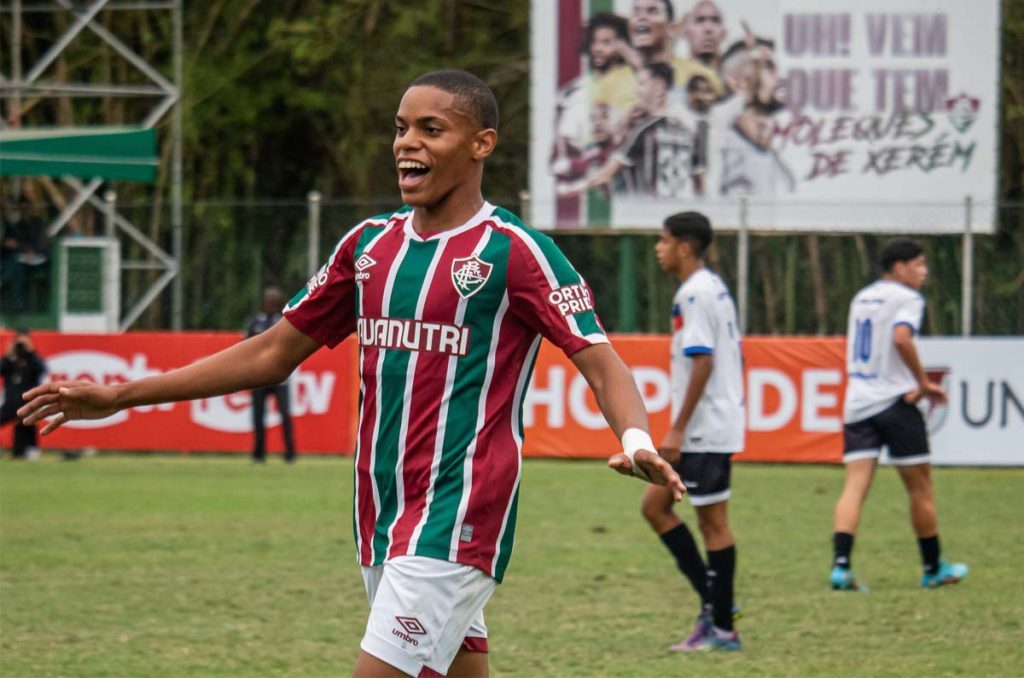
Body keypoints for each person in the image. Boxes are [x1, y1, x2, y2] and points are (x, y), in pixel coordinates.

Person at [19, 69, 684, 678]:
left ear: (481, 144)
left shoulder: (515, 254)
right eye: (400, 128)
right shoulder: (368, 247)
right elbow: (269, 354)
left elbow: (601, 361)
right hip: (381, 513)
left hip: (456, 514)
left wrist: (635, 441)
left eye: (431, 129)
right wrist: (121, 395)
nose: (406, 144)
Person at [831, 238, 968, 592]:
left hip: (858, 402)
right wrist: (923, 383)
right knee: (920, 487)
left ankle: (841, 568)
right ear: (900, 267)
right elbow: (902, 339)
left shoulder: (861, 297)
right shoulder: (907, 298)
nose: (924, 272)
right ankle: (933, 567)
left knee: (855, 486)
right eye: (919, 264)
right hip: (895, 401)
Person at [643, 211, 744, 652]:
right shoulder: (709, 287)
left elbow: (703, 360)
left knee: (712, 523)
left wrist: (679, 428)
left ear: (684, 246)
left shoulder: (696, 294)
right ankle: (716, 603)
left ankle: (722, 629)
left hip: (705, 429)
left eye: (663, 241)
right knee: (655, 507)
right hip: (707, 425)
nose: (658, 248)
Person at [578, 62, 698, 198]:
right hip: (682, 210)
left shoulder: (645, 130)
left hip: (649, 211)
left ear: (659, 87)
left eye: (641, 83)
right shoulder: (687, 131)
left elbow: (606, 175)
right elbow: (700, 180)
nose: (636, 90)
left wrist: (579, 191)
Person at [711, 36, 796, 196]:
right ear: (737, 83)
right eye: (768, 67)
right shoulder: (722, 150)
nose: (779, 77)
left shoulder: (779, 164)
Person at [246, 286, 297, 464]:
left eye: (275, 301)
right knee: (258, 416)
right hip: (259, 376)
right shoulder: (255, 321)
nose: (271, 304)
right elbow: (246, 345)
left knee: (285, 414)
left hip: (280, 377)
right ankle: (258, 454)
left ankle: (290, 454)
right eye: (269, 301)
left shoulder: (284, 320)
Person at [1, 330, 47, 460]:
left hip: (28, 402)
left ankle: (27, 451)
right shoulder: (10, 361)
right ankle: (19, 452)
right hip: (10, 402)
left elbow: (42, 369)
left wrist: (31, 351)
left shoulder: (33, 360)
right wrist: (8, 354)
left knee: (26, 423)